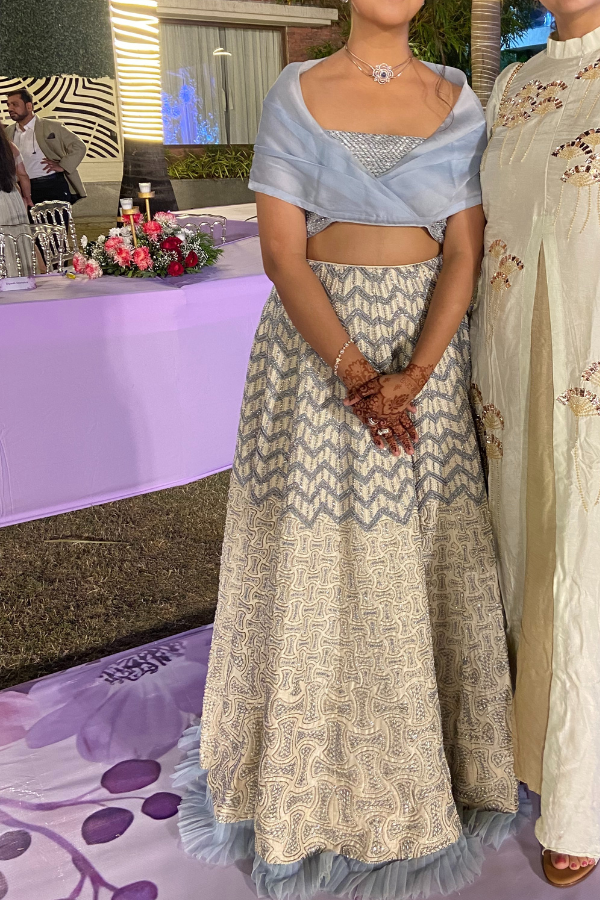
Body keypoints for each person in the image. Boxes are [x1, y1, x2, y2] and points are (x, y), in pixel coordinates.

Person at [175, 0, 521, 896]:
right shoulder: (294, 91)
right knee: (317, 561)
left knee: (421, 557)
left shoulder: (459, 101)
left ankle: (431, 772)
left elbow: (464, 252)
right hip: (315, 353)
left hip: (428, 348)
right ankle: (306, 784)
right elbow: (282, 255)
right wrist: (360, 373)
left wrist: (416, 374)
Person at [471, 0, 600, 888]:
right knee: (530, 554)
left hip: (589, 355)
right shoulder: (514, 82)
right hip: (513, 367)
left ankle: (582, 794)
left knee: (585, 561)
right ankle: (537, 753)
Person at [4, 88, 87, 207]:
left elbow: (79, 146)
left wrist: (63, 165)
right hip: (21, 188)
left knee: (56, 219)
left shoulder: (51, 126)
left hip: (50, 184)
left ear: (29, 106)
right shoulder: (8, 132)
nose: (10, 108)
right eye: (8, 105)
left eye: (15, 104)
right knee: (28, 220)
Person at [0, 122, 34, 276]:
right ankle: (19, 275)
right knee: (17, 238)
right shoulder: (10, 147)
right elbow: (23, 175)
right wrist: (27, 197)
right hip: (13, 198)